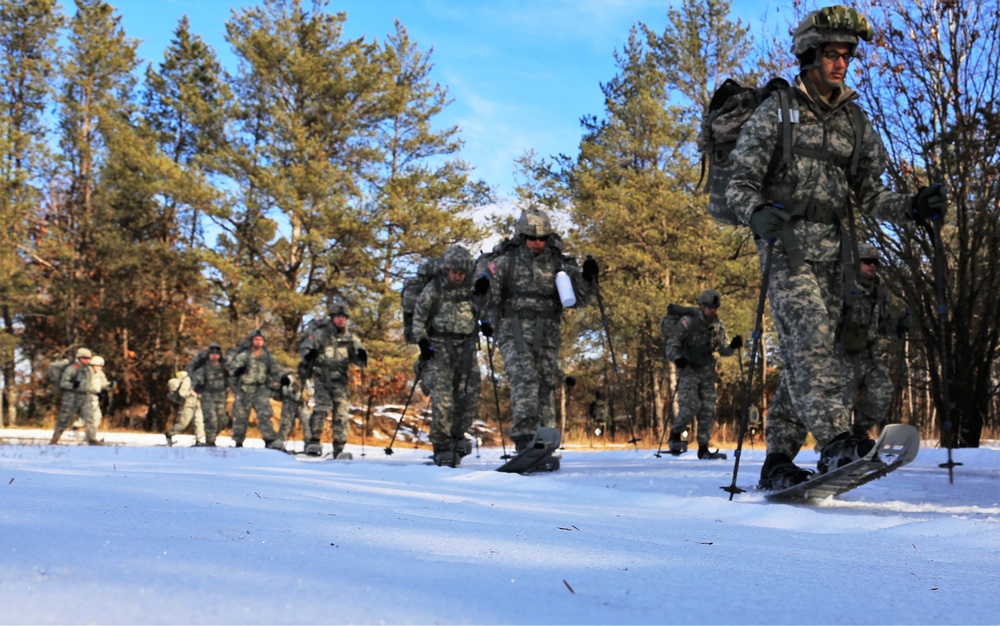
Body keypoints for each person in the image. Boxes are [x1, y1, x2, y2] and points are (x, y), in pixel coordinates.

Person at [726, 5, 948, 488]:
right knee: (809, 344)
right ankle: (836, 441)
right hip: (785, 247)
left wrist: (912, 206)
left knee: (807, 356)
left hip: (836, 253)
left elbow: (872, 195)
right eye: (831, 54)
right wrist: (755, 213)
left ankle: (778, 460)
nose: (841, 63)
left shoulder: (855, 121)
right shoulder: (777, 111)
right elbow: (739, 184)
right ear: (808, 56)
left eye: (846, 55)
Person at [473, 207, 597, 461]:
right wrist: (482, 287)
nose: (537, 243)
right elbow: (483, 296)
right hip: (512, 327)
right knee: (525, 377)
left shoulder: (559, 263)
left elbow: (579, 299)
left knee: (545, 382)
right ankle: (525, 436)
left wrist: (588, 277)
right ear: (522, 236)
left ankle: (545, 438)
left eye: (542, 238)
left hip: (547, 331)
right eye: (532, 237)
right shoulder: (506, 261)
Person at [412, 245, 482, 467]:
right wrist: (423, 342)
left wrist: (487, 323)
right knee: (443, 399)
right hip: (439, 347)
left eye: (462, 273)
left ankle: (457, 436)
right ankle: (441, 445)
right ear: (446, 270)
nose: (458, 277)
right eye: (454, 272)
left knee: (469, 395)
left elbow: (484, 310)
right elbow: (419, 318)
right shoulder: (434, 289)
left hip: (467, 347)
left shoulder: (471, 289)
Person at [663, 290, 742, 459]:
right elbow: (672, 344)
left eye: (715, 307)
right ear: (701, 306)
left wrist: (733, 346)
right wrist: (678, 359)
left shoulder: (718, 326)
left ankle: (704, 447)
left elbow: (723, 350)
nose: (713, 310)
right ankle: (675, 435)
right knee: (691, 404)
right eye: (710, 307)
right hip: (689, 369)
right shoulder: (688, 322)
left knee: (707, 408)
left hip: (707, 371)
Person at [839, 243, 906, 437]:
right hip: (843, 356)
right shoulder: (841, 288)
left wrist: (899, 326)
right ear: (856, 263)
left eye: (875, 262)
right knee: (840, 405)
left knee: (882, 394)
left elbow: (883, 324)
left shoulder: (879, 293)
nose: (872, 266)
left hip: (870, 356)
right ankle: (835, 448)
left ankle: (858, 433)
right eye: (867, 261)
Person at [298, 299, 367, 458]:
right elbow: (305, 350)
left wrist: (361, 356)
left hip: (340, 381)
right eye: (338, 316)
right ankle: (314, 442)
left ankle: (339, 447)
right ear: (332, 318)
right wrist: (309, 355)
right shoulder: (320, 335)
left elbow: (358, 358)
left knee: (341, 414)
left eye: (344, 317)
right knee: (321, 409)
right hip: (322, 378)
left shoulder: (351, 338)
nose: (341, 319)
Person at [227, 330, 285, 448]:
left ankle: (269, 439)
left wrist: (282, 380)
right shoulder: (244, 355)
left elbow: (275, 371)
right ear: (252, 341)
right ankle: (238, 441)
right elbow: (232, 371)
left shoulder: (267, 356)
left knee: (265, 415)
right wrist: (238, 376)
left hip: (261, 389)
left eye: (260, 340)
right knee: (241, 416)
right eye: (256, 339)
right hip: (245, 389)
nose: (258, 342)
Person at [50, 348, 100, 445]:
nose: (87, 360)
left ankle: (91, 439)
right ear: (79, 358)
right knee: (64, 418)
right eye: (84, 358)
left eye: (88, 358)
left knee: (90, 418)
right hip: (71, 397)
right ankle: (55, 439)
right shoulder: (72, 368)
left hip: (84, 396)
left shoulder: (88, 370)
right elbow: (63, 383)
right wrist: (73, 385)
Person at [190, 343, 228, 447]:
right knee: (211, 419)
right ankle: (210, 440)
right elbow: (196, 380)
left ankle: (212, 436)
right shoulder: (204, 368)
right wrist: (194, 389)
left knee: (222, 420)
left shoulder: (224, 368)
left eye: (216, 354)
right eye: (212, 354)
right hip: (208, 396)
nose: (214, 356)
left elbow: (231, 380)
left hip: (221, 396)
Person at [165, 370, 206, 446]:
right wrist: (190, 393)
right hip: (188, 404)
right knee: (183, 423)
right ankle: (169, 434)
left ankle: (199, 440)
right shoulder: (188, 379)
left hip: (198, 403)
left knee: (199, 422)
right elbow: (182, 392)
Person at [87, 355, 113, 431]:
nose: (99, 368)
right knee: (87, 418)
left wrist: (110, 385)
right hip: (86, 398)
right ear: (93, 365)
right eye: (98, 366)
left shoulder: (100, 374)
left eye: (101, 366)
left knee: (97, 416)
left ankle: (91, 435)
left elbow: (104, 384)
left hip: (95, 398)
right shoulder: (87, 373)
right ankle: (76, 427)